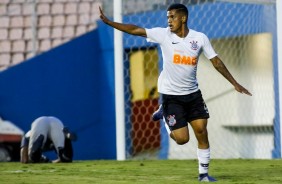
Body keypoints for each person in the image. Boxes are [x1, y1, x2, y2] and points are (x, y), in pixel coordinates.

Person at [99, 3, 252, 182]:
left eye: (172, 17)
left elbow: (216, 61)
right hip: (172, 96)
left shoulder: (200, 38)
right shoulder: (163, 35)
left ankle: (203, 175)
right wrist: (110, 22)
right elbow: (136, 30)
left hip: (193, 94)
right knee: (182, 139)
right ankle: (164, 112)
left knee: (202, 131)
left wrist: (235, 83)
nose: (169, 21)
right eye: (168, 18)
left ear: (183, 18)